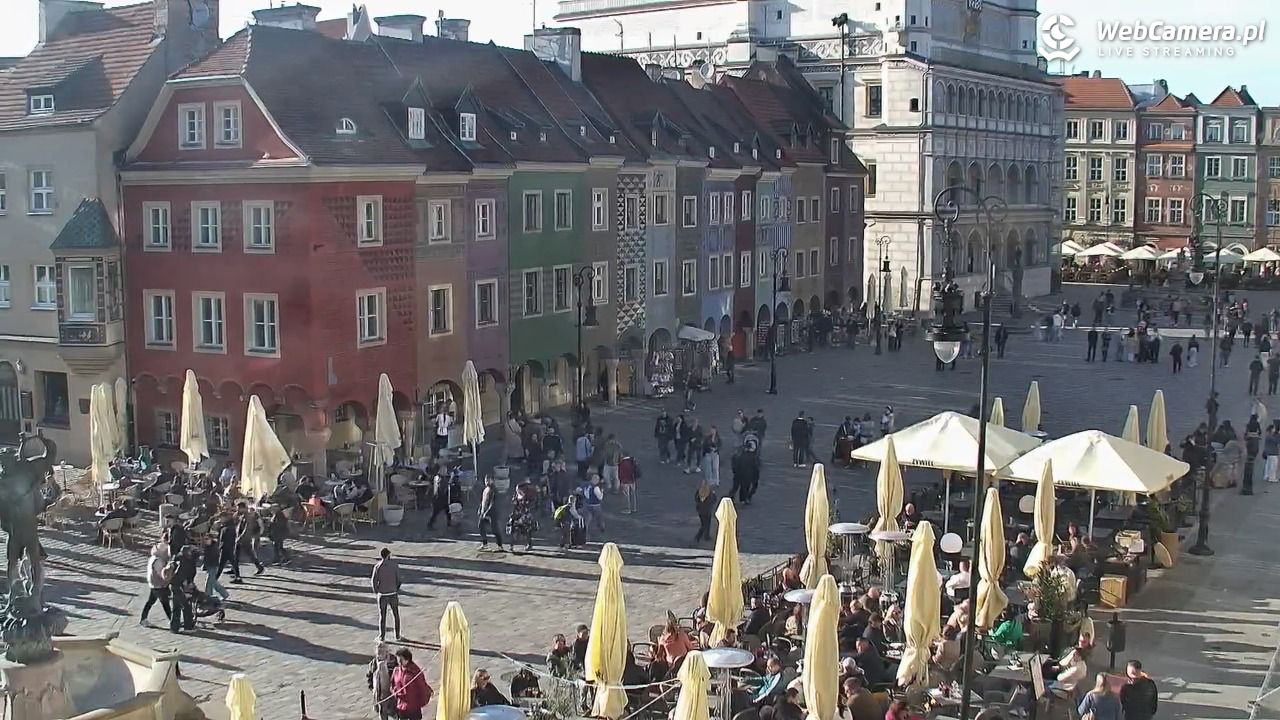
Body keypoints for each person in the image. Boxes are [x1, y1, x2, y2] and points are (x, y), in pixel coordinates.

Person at [372, 547, 403, 642]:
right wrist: (396, 588)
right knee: (396, 614)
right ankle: (397, 635)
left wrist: (377, 591)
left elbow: (374, 580)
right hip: (393, 593)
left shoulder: (377, 566)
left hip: (382, 594)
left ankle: (382, 636)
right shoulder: (394, 566)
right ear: (388, 555)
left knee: (382, 615)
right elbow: (399, 580)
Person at [391, 648, 431, 720]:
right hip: (401, 706)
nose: (399, 662)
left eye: (401, 660)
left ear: (407, 659)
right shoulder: (396, 670)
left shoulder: (415, 672)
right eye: (398, 660)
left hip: (413, 707)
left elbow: (422, 688)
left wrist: (421, 702)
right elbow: (393, 685)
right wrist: (395, 694)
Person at [140, 544, 173, 626]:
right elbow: (162, 574)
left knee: (150, 602)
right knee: (165, 603)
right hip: (158, 585)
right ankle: (172, 620)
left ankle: (143, 619)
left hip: (154, 584)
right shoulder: (158, 561)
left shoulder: (153, 558)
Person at [368, 641, 396, 720]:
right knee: (382, 712)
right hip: (379, 693)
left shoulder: (392, 662)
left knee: (393, 712)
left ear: (387, 652)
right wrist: (371, 687)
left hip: (391, 693)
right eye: (378, 652)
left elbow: (397, 676)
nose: (379, 655)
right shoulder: (373, 663)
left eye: (381, 652)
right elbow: (369, 675)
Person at [478, 475, 506, 552]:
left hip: (492, 514)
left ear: (492, 480)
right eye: (486, 480)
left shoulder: (494, 490)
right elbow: (482, 501)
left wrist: (487, 513)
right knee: (481, 527)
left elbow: (493, 503)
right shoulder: (485, 489)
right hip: (484, 512)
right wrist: (480, 509)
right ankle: (485, 544)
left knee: (495, 529)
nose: (486, 481)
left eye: (488, 480)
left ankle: (500, 546)